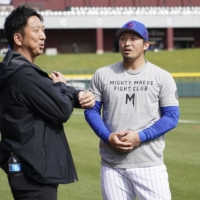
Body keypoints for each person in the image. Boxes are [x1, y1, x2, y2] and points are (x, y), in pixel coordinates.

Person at [0, 5, 95, 200]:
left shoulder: (13, 70)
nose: (43, 36)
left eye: (44, 30)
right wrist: (63, 87)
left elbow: (49, 95)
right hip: (33, 172)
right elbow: (61, 109)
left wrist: (75, 95)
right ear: (18, 38)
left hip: (23, 167)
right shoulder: (24, 75)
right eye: (36, 30)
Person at [84, 20, 180, 200]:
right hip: (112, 166)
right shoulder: (102, 74)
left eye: (133, 38)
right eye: (123, 38)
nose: (127, 43)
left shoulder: (162, 77)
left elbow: (172, 117)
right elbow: (91, 111)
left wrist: (140, 136)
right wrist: (107, 136)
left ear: (146, 45)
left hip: (150, 164)